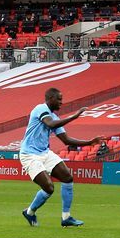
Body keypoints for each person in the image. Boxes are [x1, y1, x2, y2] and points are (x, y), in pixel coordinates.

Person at [20, 87, 104, 228]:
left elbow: (66, 140)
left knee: (67, 177)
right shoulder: (40, 109)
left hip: (44, 153)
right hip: (29, 155)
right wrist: (74, 116)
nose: (61, 102)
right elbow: (50, 124)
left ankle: (66, 217)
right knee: (49, 188)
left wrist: (89, 142)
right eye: (59, 99)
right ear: (50, 99)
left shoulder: (55, 118)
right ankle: (30, 212)